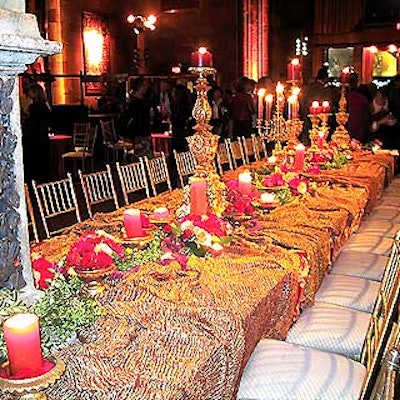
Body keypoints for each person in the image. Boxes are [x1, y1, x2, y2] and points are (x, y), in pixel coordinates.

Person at [22, 83, 52, 183]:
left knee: (33, 162)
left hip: (33, 138)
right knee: (43, 162)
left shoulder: (34, 107)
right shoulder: (45, 106)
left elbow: (31, 123)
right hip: (43, 137)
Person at [124, 79, 153, 159]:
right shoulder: (137, 103)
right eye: (145, 85)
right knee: (144, 156)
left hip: (141, 131)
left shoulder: (139, 101)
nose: (147, 87)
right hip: (140, 132)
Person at [346, 73, 371, 144]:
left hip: (349, 131)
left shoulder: (343, 97)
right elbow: (366, 118)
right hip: (359, 132)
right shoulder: (362, 98)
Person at [171, 80, 193, 152]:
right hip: (182, 133)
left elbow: (179, 120)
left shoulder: (180, 107)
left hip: (180, 134)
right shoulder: (183, 105)